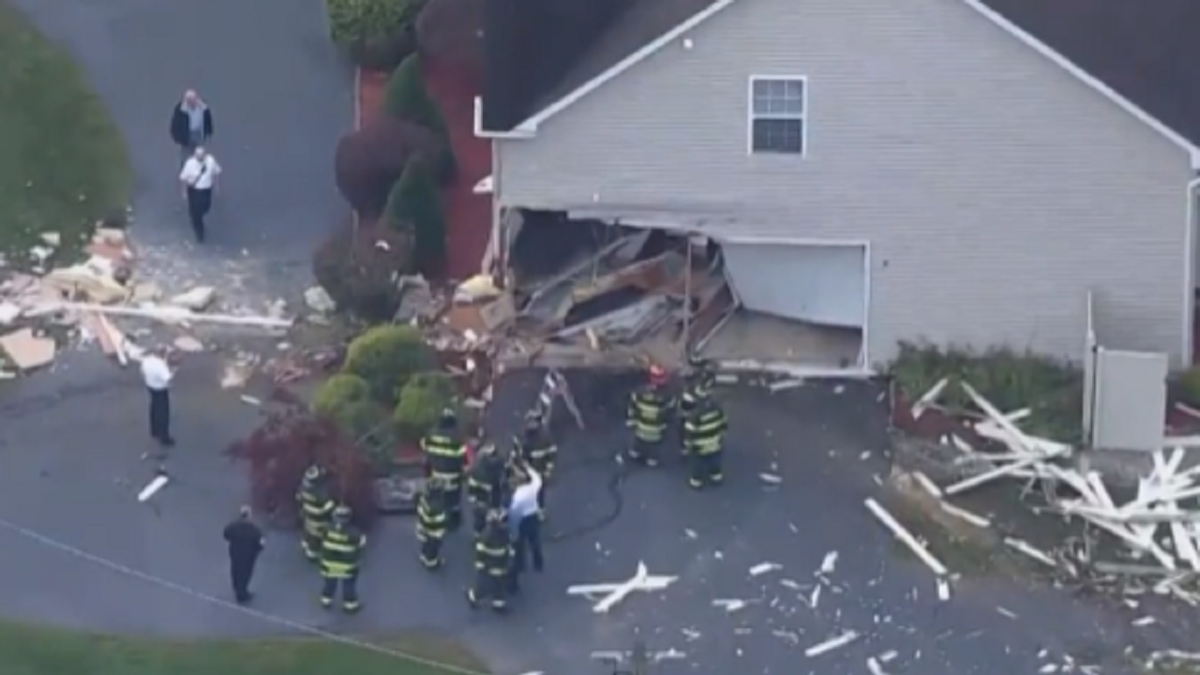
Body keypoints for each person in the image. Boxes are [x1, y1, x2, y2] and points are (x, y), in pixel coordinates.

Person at [420, 408, 466, 531]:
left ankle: (438, 520)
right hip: (453, 476)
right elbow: (462, 456)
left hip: (436, 473)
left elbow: (424, 446)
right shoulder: (457, 438)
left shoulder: (432, 434)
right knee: (453, 499)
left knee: (437, 496)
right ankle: (453, 522)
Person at [319, 504, 366, 613]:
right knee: (348, 585)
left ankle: (326, 600)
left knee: (329, 583)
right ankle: (350, 605)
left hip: (329, 565)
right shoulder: (354, 532)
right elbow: (361, 544)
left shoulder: (327, 529)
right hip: (347, 567)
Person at [467, 509, 513, 613]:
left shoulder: (504, 533)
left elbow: (508, 546)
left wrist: (510, 555)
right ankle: (473, 597)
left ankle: (498, 604)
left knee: (499, 585)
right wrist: (480, 565)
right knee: (484, 585)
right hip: (490, 566)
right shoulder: (488, 535)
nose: (505, 524)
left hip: (500, 565)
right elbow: (480, 550)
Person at [626, 364, 672, 467]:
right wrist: (666, 425)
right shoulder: (666, 396)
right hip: (656, 430)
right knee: (654, 447)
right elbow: (670, 413)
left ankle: (634, 455)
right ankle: (652, 461)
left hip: (641, 428)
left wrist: (631, 420)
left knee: (638, 443)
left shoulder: (640, 392)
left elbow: (632, 407)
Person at [513, 412, 556, 518]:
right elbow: (515, 454)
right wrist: (517, 470)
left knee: (539, 492)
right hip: (524, 472)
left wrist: (548, 470)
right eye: (529, 422)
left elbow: (551, 453)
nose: (531, 424)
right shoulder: (520, 436)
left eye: (533, 422)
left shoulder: (545, 438)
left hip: (539, 471)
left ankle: (540, 509)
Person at [507, 460, 543, 588]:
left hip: (522, 521)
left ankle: (520, 566)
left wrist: (513, 531)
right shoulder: (532, 488)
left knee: (519, 545)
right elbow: (538, 479)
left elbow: (514, 515)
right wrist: (528, 468)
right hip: (533, 517)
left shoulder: (518, 496)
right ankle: (538, 563)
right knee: (535, 541)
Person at [684, 394, 728, 489]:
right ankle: (715, 475)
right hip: (715, 442)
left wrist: (688, 444)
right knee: (715, 459)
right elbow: (724, 424)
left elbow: (689, 431)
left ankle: (697, 480)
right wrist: (721, 437)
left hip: (700, 445)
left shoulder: (695, 415)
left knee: (698, 463)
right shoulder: (718, 410)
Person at [178, 146, 222, 243]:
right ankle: (199, 233)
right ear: (195, 155)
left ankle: (198, 218)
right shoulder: (190, 164)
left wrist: (217, 186)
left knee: (206, 207)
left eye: (202, 155)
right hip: (194, 191)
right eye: (198, 156)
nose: (200, 158)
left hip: (206, 190)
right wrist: (184, 191)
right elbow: (183, 178)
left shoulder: (211, 161)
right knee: (195, 214)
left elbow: (217, 172)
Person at [222, 505, 264, 604]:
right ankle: (242, 593)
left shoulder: (233, 526)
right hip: (249, 556)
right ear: (249, 516)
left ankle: (237, 588)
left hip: (235, 553)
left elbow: (226, 534)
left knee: (235, 570)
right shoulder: (254, 530)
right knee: (246, 573)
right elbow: (260, 544)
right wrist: (257, 550)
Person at [297, 465, 334, 561]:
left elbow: (299, 499)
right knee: (318, 536)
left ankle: (309, 546)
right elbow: (327, 508)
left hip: (308, 517)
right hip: (319, 520)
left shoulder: (302, 488)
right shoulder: (320, 495)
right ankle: (314, 552)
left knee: (309, 532)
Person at [466, 443, 505, 535]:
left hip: (481, 496)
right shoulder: (496, 464)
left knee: (480, 515)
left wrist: (471, 496)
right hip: (488, 496)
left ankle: (479, 533)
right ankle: (488, 532)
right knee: (487, 514)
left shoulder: (476, 466)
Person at [140, 349, 176, 447]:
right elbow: (167, 378)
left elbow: (143, 371)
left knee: (154, 408)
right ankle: (164, 436)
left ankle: (154, 430)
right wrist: (173, 371)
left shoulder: (146, 360)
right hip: (160, 389)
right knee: (163, 412)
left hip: (150, 386)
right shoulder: (160, 366)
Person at [678, 357, 715, 453]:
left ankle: (686, 446)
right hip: (693, 403)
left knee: (687, 425)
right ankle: (686, 445)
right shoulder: (707, 378)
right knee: (688, 424)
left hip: (692, 402)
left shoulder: (701, 378)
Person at [169, 89, 214, 161]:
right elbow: (175, 124)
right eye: (189, 100)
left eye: (193, 99)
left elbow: (208, 120)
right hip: (187, 136)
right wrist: (179, 138)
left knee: (200, 156)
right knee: (186, 157)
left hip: (199, 135)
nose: (191, 102)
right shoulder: (181, 110)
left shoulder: (203, 108)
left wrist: (208, 132)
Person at [416, 476, 449, 570]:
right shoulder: (436, 507)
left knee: (425, 544)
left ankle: (424, 556)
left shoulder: (424, 499)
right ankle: (432, 564)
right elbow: (440, 521)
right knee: (432, 549)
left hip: (422, 528)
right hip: (433, 533)